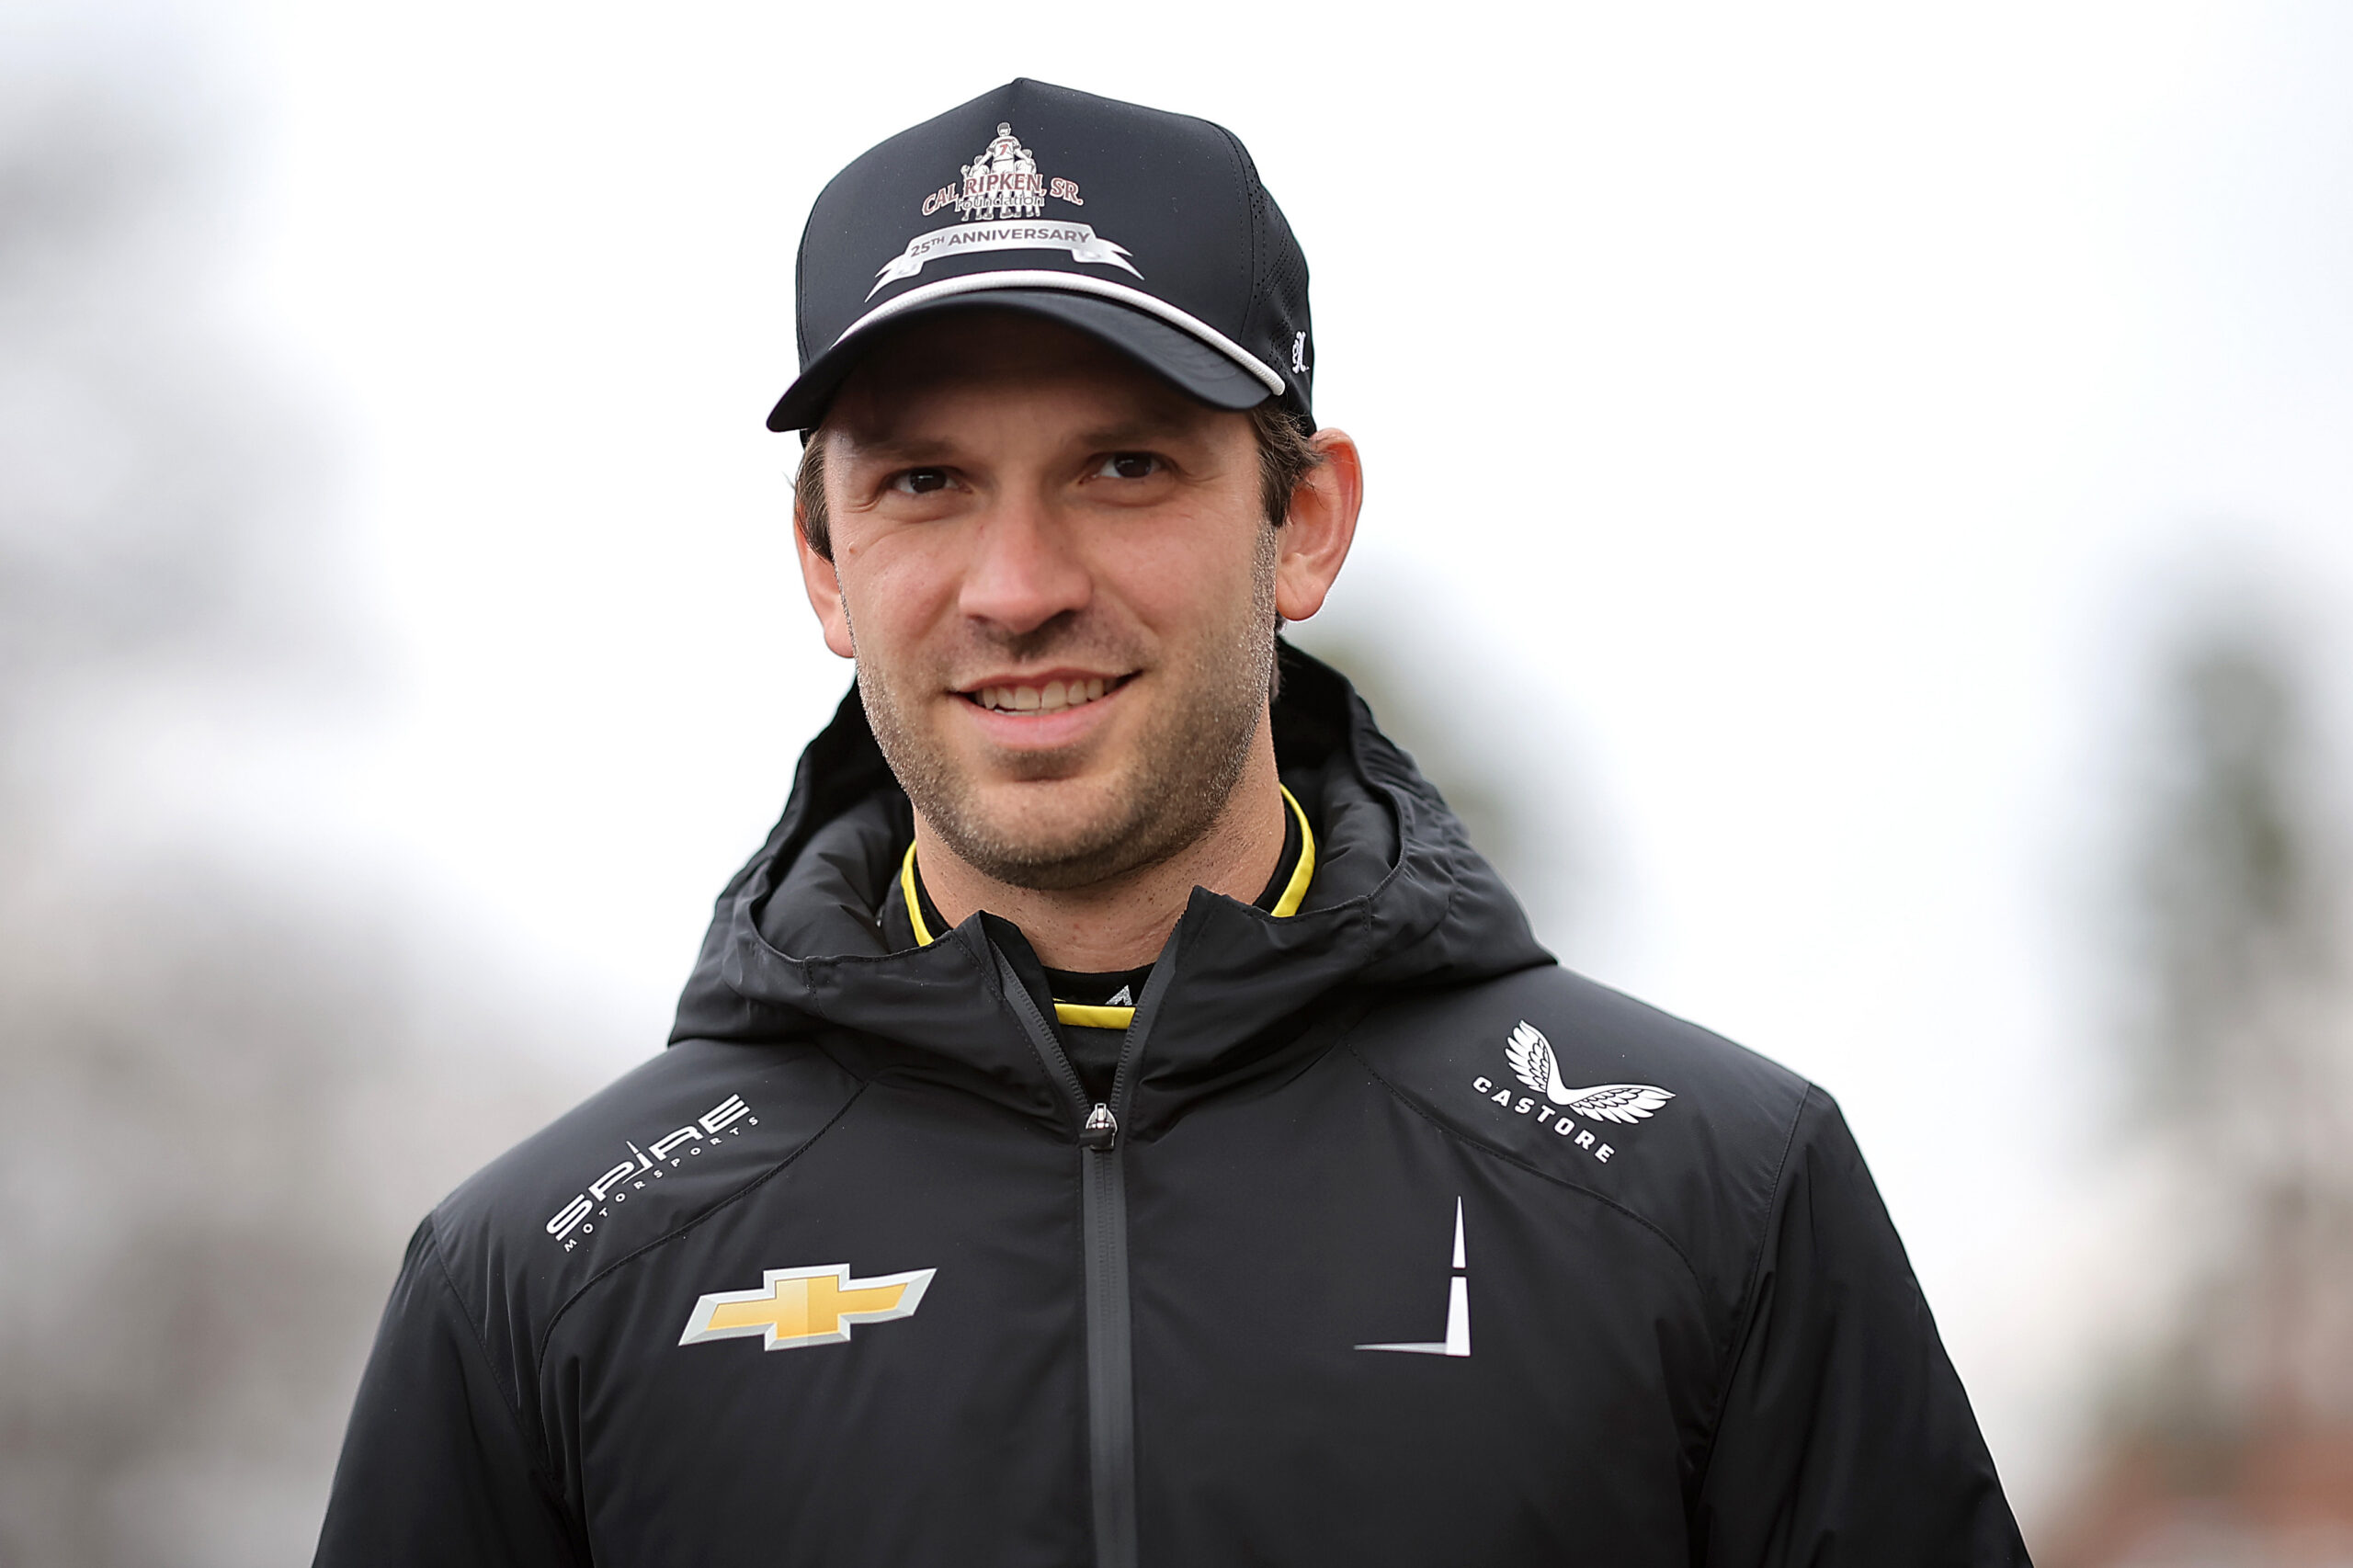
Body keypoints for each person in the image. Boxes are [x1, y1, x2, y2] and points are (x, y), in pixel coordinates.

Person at [312, 79, 2029, 1567]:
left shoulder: (1706, 1190)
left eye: (1124, 466)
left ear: (1304, 522)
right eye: (923, 482)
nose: (1018, 586)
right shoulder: (542, 1277)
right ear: (823, 566)